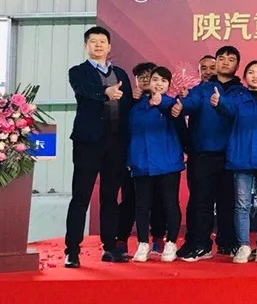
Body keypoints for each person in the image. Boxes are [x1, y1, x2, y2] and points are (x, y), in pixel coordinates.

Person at [64, 26, 133, 268]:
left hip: (115, 143)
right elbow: (85, 91)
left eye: (102, 41)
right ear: (86, 46)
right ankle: (72, 251)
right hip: (88, 143)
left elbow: (128, 107)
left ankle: (110, 247)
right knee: (80, 197)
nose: (98, 45)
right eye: (93, 41)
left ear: (109, 46)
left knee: (110, 198)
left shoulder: (120, 73)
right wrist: (106, 92)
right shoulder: (78, 72)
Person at [172, 46, 243, 261]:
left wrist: (221, 103)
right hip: (203, 154)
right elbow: (190, 103)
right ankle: (201, 244)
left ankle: (228, 243)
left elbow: (239, 112)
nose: (225, 62)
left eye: (231, 59)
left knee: (228, 202)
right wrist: (180, 105)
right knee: (202, 202)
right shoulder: (202, 88)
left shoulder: (241, 91)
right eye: (221, 58)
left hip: (231, 156)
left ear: (237, 65)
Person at [213, 60, 257, 264]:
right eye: (251, 72)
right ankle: (244, 245)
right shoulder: (237, 98)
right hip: (241, 158)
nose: (255, 76)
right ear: (245, 77)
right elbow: (226, 109)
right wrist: (218, 103)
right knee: (242, 205)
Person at [128, 67, 184, 263]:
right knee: (142, 206)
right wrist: (131, 160)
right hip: (142, 163)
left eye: (163, 81)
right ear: (149, 83)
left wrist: (163, 103)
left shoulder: (172, 105)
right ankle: (143, 243)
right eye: (155, 79)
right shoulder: (136, 108)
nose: (158, 83)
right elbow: (130, 135)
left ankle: (171, 243)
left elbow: (177, 116)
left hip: (168, 164)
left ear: (168, 85)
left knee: (170, 203)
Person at [116, 62, 166, 257]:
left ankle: (158, 238)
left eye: (149, 75)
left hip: (158, 162)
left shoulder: (165, 102)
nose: (145, 79)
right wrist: (130, 101)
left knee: (159, 200)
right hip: (133, 161)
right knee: (129, 199)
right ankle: (121, 239)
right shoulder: (127, 101)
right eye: (140, 76)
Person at [175, 55, 216, 259]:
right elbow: (186, 105)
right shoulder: (194, 92)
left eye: (212, 67)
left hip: (225, 155)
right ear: (198, 72)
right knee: (198, 201)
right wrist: (181, 101)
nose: (208, 71)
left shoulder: (229, 91)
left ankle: (222, 243)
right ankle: (196, 241)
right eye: (204, 68)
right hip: (199, 154)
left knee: (225, 203)